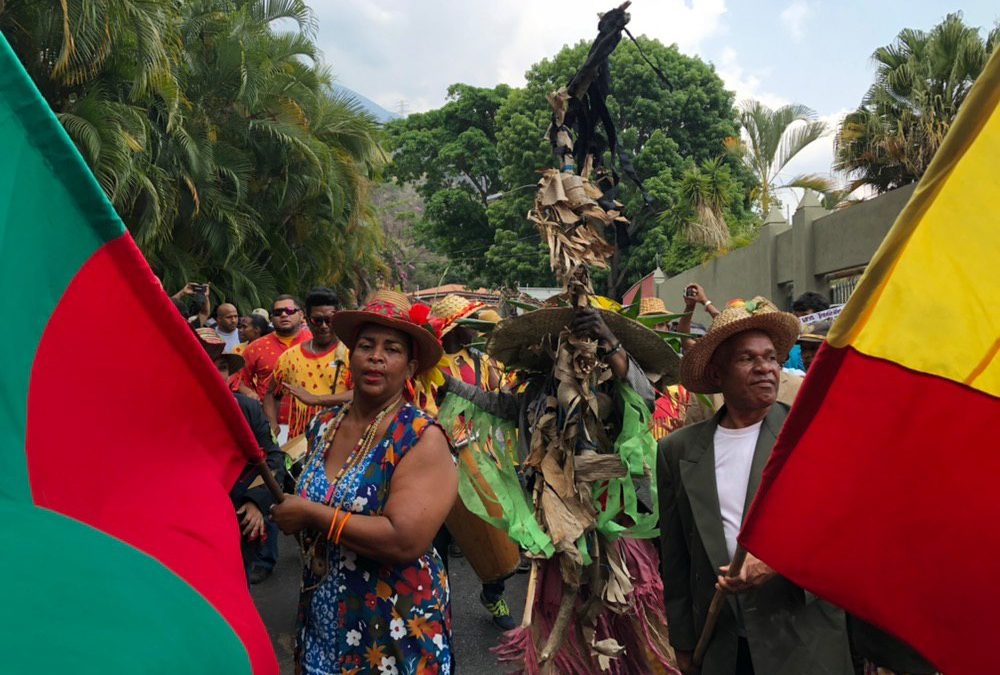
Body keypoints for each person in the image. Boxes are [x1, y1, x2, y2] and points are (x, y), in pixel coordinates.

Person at [658, 296, 853, 675]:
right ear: (717, 375)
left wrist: (778, 562)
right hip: (724, 644)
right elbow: (677, 558)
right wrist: (682, 642)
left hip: (802, 638)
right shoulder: (677, 450)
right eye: (747, 359)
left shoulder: (809, 433)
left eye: (771, 358)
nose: (765, 368)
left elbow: (843, 526)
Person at [271, 289, 456, 675]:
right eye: (366, 345)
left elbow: (403, 539)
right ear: (350, 357)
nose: (376, 356)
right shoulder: (325, 425)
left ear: (409, 368)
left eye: (392, 349)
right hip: (323, 615)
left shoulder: (421, 436)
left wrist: (308, 512)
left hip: (393, 626)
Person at [420, 294, 517, 631]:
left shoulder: (480, 360)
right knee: (438, 539)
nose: (476, 330)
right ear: (453, 329)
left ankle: (494, 593)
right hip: (437, 463)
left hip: (483, 459)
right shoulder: (425, 365)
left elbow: (498, 400)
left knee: (494, 532)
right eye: (469, 324)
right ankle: (438, 605)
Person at [194, 328, 286, 582]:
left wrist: (255, 501)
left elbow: (274, 458)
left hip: (237, 519)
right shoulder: (169, 414)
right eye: (203, 362)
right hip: (192, 525)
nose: (215, 373)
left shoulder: (246, 408)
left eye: (222, 366)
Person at [265, 288, 352, 440]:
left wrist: (317, 400)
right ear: (307, 319)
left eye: (329, 320)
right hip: (298, 447)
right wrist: (273, 424)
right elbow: (270, 393)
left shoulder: (351, 353)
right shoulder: (289, 357)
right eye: (317, 320)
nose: (324, 326)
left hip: (339, 441)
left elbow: (360, 394)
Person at [238, 294, 311, 416]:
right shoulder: (255, 347)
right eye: (278, 312)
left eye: (290, 311)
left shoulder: (314, 342)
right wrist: (249, 393)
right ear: (271, 318)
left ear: (301, 315)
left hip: (311, 419)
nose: (283, 315)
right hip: (269, 420)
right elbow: (239, 380)